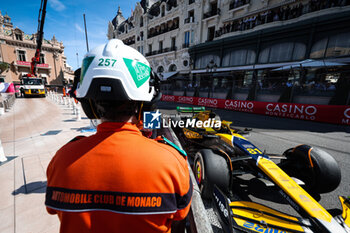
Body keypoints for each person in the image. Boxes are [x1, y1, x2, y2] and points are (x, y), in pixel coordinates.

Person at [45, 39, 192, 233]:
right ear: (144, 105)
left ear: (89, 105)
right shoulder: (172, 161)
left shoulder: (61, 159)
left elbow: (52, 209)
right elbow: (180, 214)